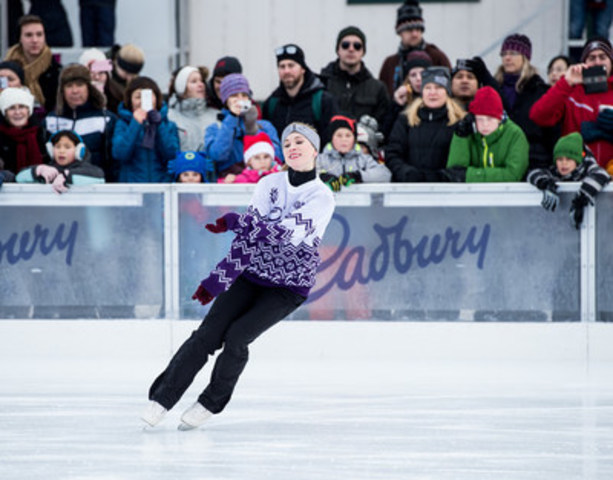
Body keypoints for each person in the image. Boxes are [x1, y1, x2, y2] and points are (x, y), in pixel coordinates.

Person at [141, 122, 335, 431]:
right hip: (251, 274)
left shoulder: (322, 196)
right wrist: (218, 279)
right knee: (207, 334)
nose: (293, 147)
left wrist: (239, 223)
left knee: (237, 337)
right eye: (287, 144)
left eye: (300, 142)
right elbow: (248, 237)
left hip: (287, 287)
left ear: (314, 149)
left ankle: (209, 403)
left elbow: (288, 236)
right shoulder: (269, 184)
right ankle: (161, 399)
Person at [530, 37, 613, 168]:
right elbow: (539, 116)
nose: (597, 62)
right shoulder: (571, 92)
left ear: (611, 62)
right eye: (591, 58)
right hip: (577, 176)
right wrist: (566, 82)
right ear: (584, 63)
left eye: (602, 57)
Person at [385, 67, 465, 182]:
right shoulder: (405, 119)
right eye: (428, 88)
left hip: (446, 190)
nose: (432, 93)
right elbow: (393, 153)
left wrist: (443, 176)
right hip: (409, 189)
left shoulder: (460, 121)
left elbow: (463, 161)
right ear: (422, 92)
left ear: (447, 91)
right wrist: (406, 172)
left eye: (438, 87)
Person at [492, 34, 555, 171]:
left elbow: (550, 132)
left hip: (533, 162)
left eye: (513, 53)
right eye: (504, 54)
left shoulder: (539, 90)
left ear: (525, 57)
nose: (507, 58)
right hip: (499, 161)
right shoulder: (493, 89)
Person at [45, 64, 117, 182]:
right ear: (62, 90)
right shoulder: (51, 120)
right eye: (69, 86)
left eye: (80, 85)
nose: (74, 91)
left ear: (89, 88)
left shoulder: (106, 119)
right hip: (57, 190)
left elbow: (113, 162)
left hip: (96, 187)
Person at [205, 73, 281, 180]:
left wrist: (251, 126)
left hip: (262, 181)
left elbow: (277, 157)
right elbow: (218, 155)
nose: (240, 100)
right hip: (231, 184)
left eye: (244, 95)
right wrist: (232, 118)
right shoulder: (215, 128)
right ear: (226, 100)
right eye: (234, 96)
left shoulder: (265, 126)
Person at [445, 86, 529, 182]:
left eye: (490, 119)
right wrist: (461, 136)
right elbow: (455, 172)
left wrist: (471, 175)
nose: (485, 124)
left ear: (499, 119)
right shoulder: (468, 133)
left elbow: (513, 174)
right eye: (479, 119)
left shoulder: (515, 135)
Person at [527, 132, 610, 229]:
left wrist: (580, 200)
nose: (564, 163)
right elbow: (532, 173)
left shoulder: (587, 168)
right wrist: (547, 184)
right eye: (560, 159)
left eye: (569, 159)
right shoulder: (555, 172)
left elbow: (601, 174)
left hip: (590, 227)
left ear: (578, 160)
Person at [262, 44, 338, 143]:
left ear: (303, 69)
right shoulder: (272, 103)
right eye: (282, 66)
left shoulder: (323, 101)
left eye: (291, 65)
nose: (286, 71)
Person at [112, 76, 179, 182]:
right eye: (138, 97)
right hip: (132, 188)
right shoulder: (123, 124)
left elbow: (171, 154)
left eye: (147, 97)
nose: (143, 102)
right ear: (130, 100)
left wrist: (158, 123)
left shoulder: (168, 125)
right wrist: (135, 124)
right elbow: (120, 153)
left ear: (157, 99)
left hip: (162, 187)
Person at [378, 0, 451, 97]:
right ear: (400, 32)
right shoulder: (390, 63)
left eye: (418, 29)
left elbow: (450, 89)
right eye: (409, 30)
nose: (415, 34)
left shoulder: (437, 57)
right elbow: (383, 97)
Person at [319, 26, 390, 126]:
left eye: (357, 46)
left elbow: (384, 125)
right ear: (338, 50)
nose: (351, 49)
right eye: (345, 45)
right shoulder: (322, 83)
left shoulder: (377, 88)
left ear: (363, 52)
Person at [4, 15, 62, 113]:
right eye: (28, 35)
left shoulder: (58, 72)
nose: (35, 40)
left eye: (39, 34)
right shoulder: (6, 71)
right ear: (20, 38)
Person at [16, 129, 105, 193]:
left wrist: (66, 176)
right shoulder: (48, 169)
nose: (61, 151)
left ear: (78, 150)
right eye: (58, 147)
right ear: (51, 150)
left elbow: (99, 177)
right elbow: (19, 178)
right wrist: (38, 170)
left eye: (67, 147)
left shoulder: (86, 169)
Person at [318, 115, 391, 191]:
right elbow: (307, 174)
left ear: (354, 139)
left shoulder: (363, 159)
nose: (344, 140)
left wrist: (358, 176)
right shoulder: (321, 159)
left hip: (358, 201)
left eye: (348, 135)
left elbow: (385, 174)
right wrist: (322, 177)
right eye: (339, 136)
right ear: (331, 138)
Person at [382, 50, 432, 138]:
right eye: (413, 75)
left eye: (423, 74)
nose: (418, 79)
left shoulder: (438, 101)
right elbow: (386, 134)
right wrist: (397, 105)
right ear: (408, 79)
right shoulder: (401, 101)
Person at [168, 65, 217, 151]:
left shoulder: (216, 116)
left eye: (202, 81)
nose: (201, 84)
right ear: (181, 88)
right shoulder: (169, 117)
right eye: (194, 81)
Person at [0, 87, 48, 176]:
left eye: (22, 107)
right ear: (5, 113)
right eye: (11, 108)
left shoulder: (42, 134)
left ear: (28, 110)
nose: (17, 112)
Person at [106, 43, 145, 114]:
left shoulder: (138, 81)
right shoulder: (102, 75)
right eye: (126, 73)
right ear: (116, 63)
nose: (129, 78)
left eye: (133, 74)